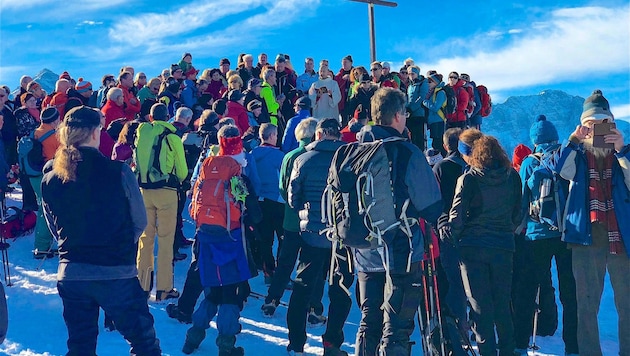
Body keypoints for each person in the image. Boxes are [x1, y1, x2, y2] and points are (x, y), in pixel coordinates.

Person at [41, 106, 161, 356]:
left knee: (80, 346)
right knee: (143, 343)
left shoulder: (51, 178)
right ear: (95, 133)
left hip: (72, 273)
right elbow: (139, 221)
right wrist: (119, 246)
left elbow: (55, 228)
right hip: (116, 271)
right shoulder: (118, 171)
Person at [349, 88, 442, 356]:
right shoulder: (406, 151)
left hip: (364, 248)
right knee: (397, 326)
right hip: (401, 249)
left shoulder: (355, 151)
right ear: (398, 115)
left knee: (369, 320)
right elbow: (431, 204)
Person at [555, 90, 629, 356]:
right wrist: (573, 140)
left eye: (602, 124)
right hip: (586, 231)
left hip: (621, 232)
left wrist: (622, 149)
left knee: (628, 302)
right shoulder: (576, 154)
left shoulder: (624, 153)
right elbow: (559, 171)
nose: (597, 130)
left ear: (612, 124)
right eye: (591, 125)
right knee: (586, 303)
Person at [181, 124, 257, 355]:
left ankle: (192, 338)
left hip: (206, 234)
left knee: (212, 290)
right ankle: (226, 343)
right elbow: (253, 211)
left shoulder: (208, 164)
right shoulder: (237, 170)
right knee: (229, 294)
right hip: (230, 237)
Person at [447, 129, 522, 356]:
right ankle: (508, 350)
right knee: (502, 305)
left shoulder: (469, 179)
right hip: (503, 247)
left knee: (480, 308)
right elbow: (517, 215)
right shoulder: (513, 176)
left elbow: (456, 218)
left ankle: (487, 351)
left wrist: (455, 237)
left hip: (473, 249)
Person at [286, 118, 353, 356]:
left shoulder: (303, 159)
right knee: (340, 290)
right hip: (342, 236)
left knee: (302, 287)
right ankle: (332, 342)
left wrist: (307, 212)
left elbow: (293, 198)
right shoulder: (349, 159)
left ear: (320, 134)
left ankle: (296, 342)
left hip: (313, 233)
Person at [512, 115, 578, 355]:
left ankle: (520, 344)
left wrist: (519, 226)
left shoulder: (530, 162)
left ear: (535, 140)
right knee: (569, 293)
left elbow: (521, 198)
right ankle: (573, 346)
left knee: (527, 291)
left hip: (535, 235)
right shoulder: (566, 158)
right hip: (565, 234)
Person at [135, 103, 188, 301]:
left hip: (144, 190)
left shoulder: (142, 134)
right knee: (166, 241)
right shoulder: (172, 137)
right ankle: (164, 289)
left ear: (150, 116)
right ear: (168, 116)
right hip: (166, 191)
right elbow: (181, 171)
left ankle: (143, 285)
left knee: (145, 238)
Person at [432, 127, 468, 331]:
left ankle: (455, 325)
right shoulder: (472, 167)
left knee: (452, 278)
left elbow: (436, 201)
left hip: (447, 230)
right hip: (470, 229)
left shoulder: (440, 168)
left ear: (445, 146)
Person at [32, 107, 61, 259]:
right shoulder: (54, 137)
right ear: (55, 120)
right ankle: (42, 247)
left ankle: (42, 245)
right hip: (45, 176)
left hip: (33, 176)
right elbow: (55, 160)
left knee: (42, 208)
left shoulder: (36, 132)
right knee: (46, 210)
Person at [422, 72, 447, 156]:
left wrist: (425, 102)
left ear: (436, 82)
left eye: (430, 81)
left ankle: (441, 161)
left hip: (439, 120)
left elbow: (436, 107)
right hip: (433, 121)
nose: (428, 83)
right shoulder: (433, 92)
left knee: (438, 144)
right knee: (435, 143)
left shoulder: (440, 92)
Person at [406, 65, 428, 151]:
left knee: (419, 137)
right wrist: (406, 107)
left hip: (419, 114)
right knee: (412, 136)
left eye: (413, 73)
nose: (411, 75)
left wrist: (412, 108)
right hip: (411, 114)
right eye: (409, 74)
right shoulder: (410, 85)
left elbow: (422, 97)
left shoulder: (423, 83)